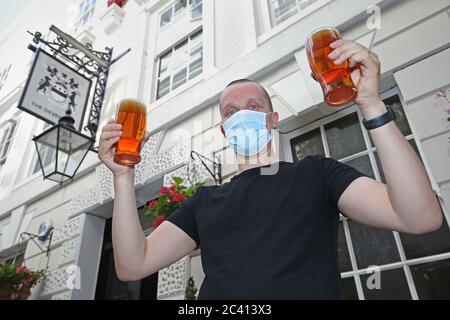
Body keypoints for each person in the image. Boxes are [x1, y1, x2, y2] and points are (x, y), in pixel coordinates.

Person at [98, 39, 443, 299]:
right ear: (223, 130)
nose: (242, 114)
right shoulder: (204, 202)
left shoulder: (317, 175)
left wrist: (371, 103)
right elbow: (132, 264)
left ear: (272, 119)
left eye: (253, 106)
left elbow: (420, 217)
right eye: (231, 112)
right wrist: (123, 178)